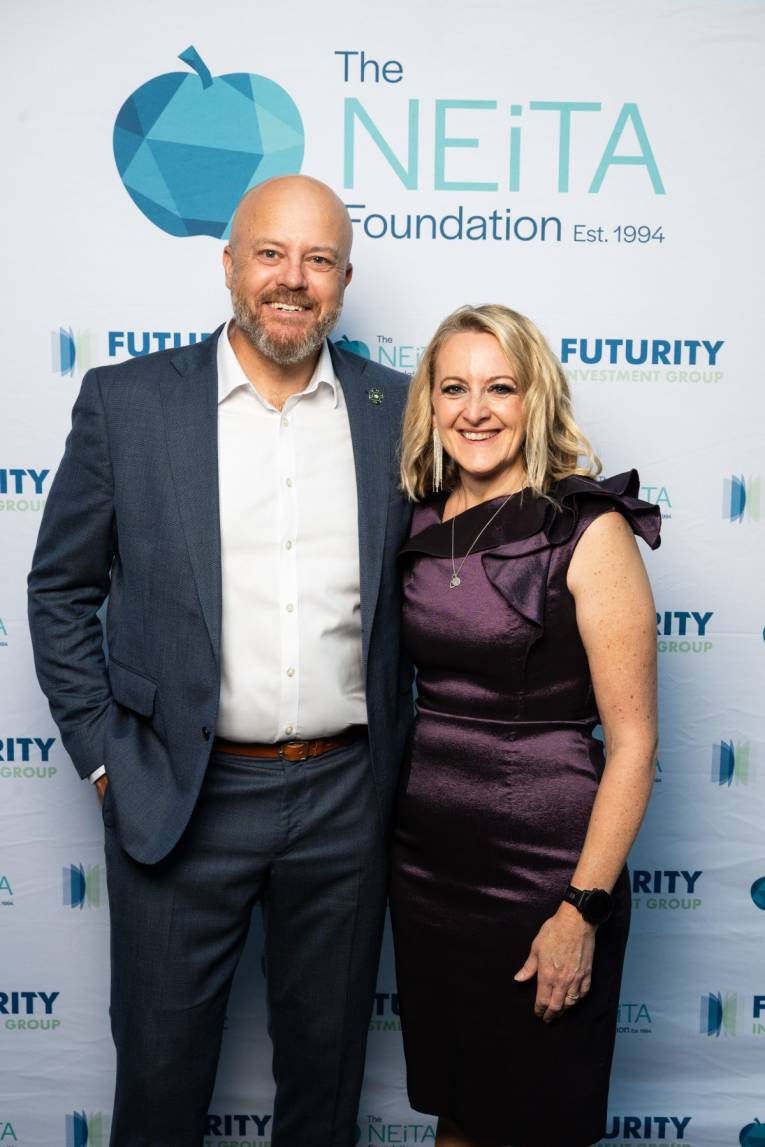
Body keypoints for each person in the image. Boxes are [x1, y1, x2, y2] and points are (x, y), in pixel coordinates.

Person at [27, 175, 414, 1147]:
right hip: (177, 795)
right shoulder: (128, 404)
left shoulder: (395, 411)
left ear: (345, 278)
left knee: (324, 1090)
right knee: (160, 1081)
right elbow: (60, 590)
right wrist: (108, 757)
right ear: (231, 264)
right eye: (271, 253)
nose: (294, 278)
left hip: (345, 801)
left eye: (319, 259)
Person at [390, 304, 660, 1147]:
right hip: (428, 869)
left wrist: (579, 908)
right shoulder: (415, 521)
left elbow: (635, 745)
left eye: (500, 387)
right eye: (454, 386)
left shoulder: (586, 530)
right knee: (458, 1110)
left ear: (534, 398)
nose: (476, 409)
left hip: (546, 871)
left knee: (538, 1115)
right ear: (428, 405)